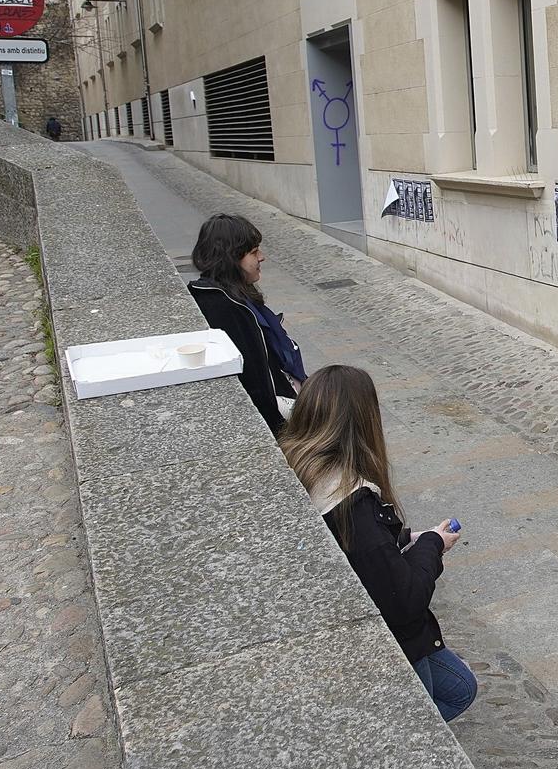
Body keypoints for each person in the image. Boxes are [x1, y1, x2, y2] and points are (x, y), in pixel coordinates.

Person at [280, 365, 475, 721]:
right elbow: (406, 601)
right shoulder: (354, 506)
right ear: (363, 423)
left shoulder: (298, 464)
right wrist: (432, 543)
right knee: (443, 704)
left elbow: (363, 553)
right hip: (394, 639)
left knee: (461, 685)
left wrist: (404, 539)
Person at [188, 214, 306, 435]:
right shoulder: (224, 307)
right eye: (254, 252)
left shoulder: (232, 295)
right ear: (231, 258)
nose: (262, 257)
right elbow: (257, 379)